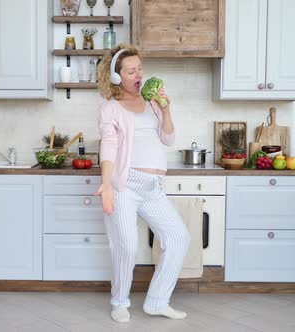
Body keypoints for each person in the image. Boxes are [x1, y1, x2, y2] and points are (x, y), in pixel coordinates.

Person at [94, 44, 190, 323]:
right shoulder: (110, 108)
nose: (139, 74)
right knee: (126, 246)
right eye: (131, 70)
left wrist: (166, 109)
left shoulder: (151, 104)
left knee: (178, 237)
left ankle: (157, 301)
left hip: (153, 187)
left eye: (140, 68)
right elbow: (109, 146)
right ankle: (119, 302)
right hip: (125, 184)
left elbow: (168, 139)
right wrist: (107, 183)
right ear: (116, 77)